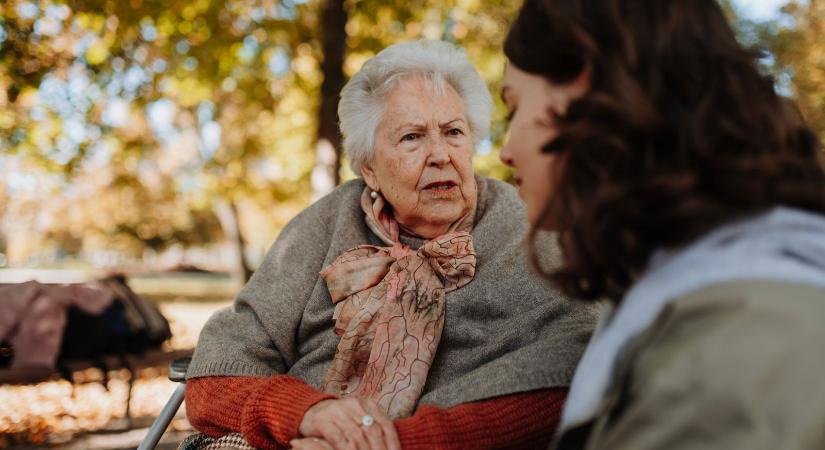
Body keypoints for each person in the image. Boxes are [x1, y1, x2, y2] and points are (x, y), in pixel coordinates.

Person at [182, 40, 598, 450]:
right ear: (370, 169)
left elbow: (577, 365)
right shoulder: (326, 223)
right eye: (412, 137)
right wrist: (308, 414)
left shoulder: (527, 225)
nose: (440, 154)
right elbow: (218, 368)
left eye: (454, 132)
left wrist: (391, 443)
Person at [499, 1, 825, 449]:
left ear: (586, 87)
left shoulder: (736, 343)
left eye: (513, 108)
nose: (505, 150)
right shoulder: (691, 300)